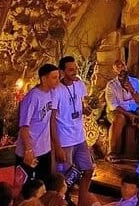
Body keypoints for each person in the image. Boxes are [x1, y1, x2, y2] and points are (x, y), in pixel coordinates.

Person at [52, 56, 95, 203]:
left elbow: (79, 103)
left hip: (79, 137)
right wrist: (57, 146)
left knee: (88, 170)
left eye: (75, 69)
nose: (74, 72)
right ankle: (63, 201)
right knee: (65, 177)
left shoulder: (79, 84)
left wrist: (84, 109)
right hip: (65, 139)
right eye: (70, 70)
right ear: (62, 71)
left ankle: (82, 201)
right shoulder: (57, 90)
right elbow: (52, 118)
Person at [16, 64, 60, 186]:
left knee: (44, 184)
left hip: (44, 149)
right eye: (54, 77)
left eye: (58, 77)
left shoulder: (52, 93)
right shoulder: (32, 97)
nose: (57, 81)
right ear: (44, 79)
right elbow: (24, 126)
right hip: (30, 149)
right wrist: (28, 149)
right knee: (27, 187)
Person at [104, 60, 139, 160]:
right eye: (118, 67)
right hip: (118, 111)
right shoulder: (111, 85)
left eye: (123, 66)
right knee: (119, 119)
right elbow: (113, 105)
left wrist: (132, 90)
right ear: (114, 70)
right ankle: (112, 152)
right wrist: (129, 115)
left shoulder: (135, 82)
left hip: (134, 109)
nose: (122, 68)